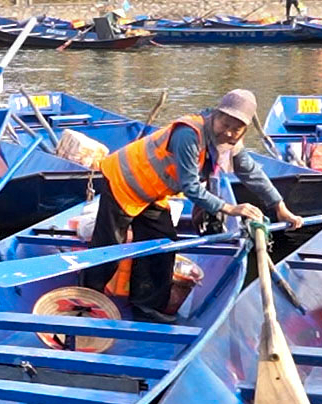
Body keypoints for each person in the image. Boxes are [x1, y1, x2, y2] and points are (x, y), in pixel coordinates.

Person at [85, 89, 304, 323]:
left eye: (236, 128)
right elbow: (191, 187)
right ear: (215, 116)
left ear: (244, 130)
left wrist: (279, 206)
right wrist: (230, 208)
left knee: (162, 245)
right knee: (109, 247)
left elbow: (250, 172)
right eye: (225, 123)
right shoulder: (189, 134)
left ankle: (146, 307)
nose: (229, 132)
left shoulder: (229, 142)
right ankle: (86, 301)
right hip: (124, 180)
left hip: (152, 192)